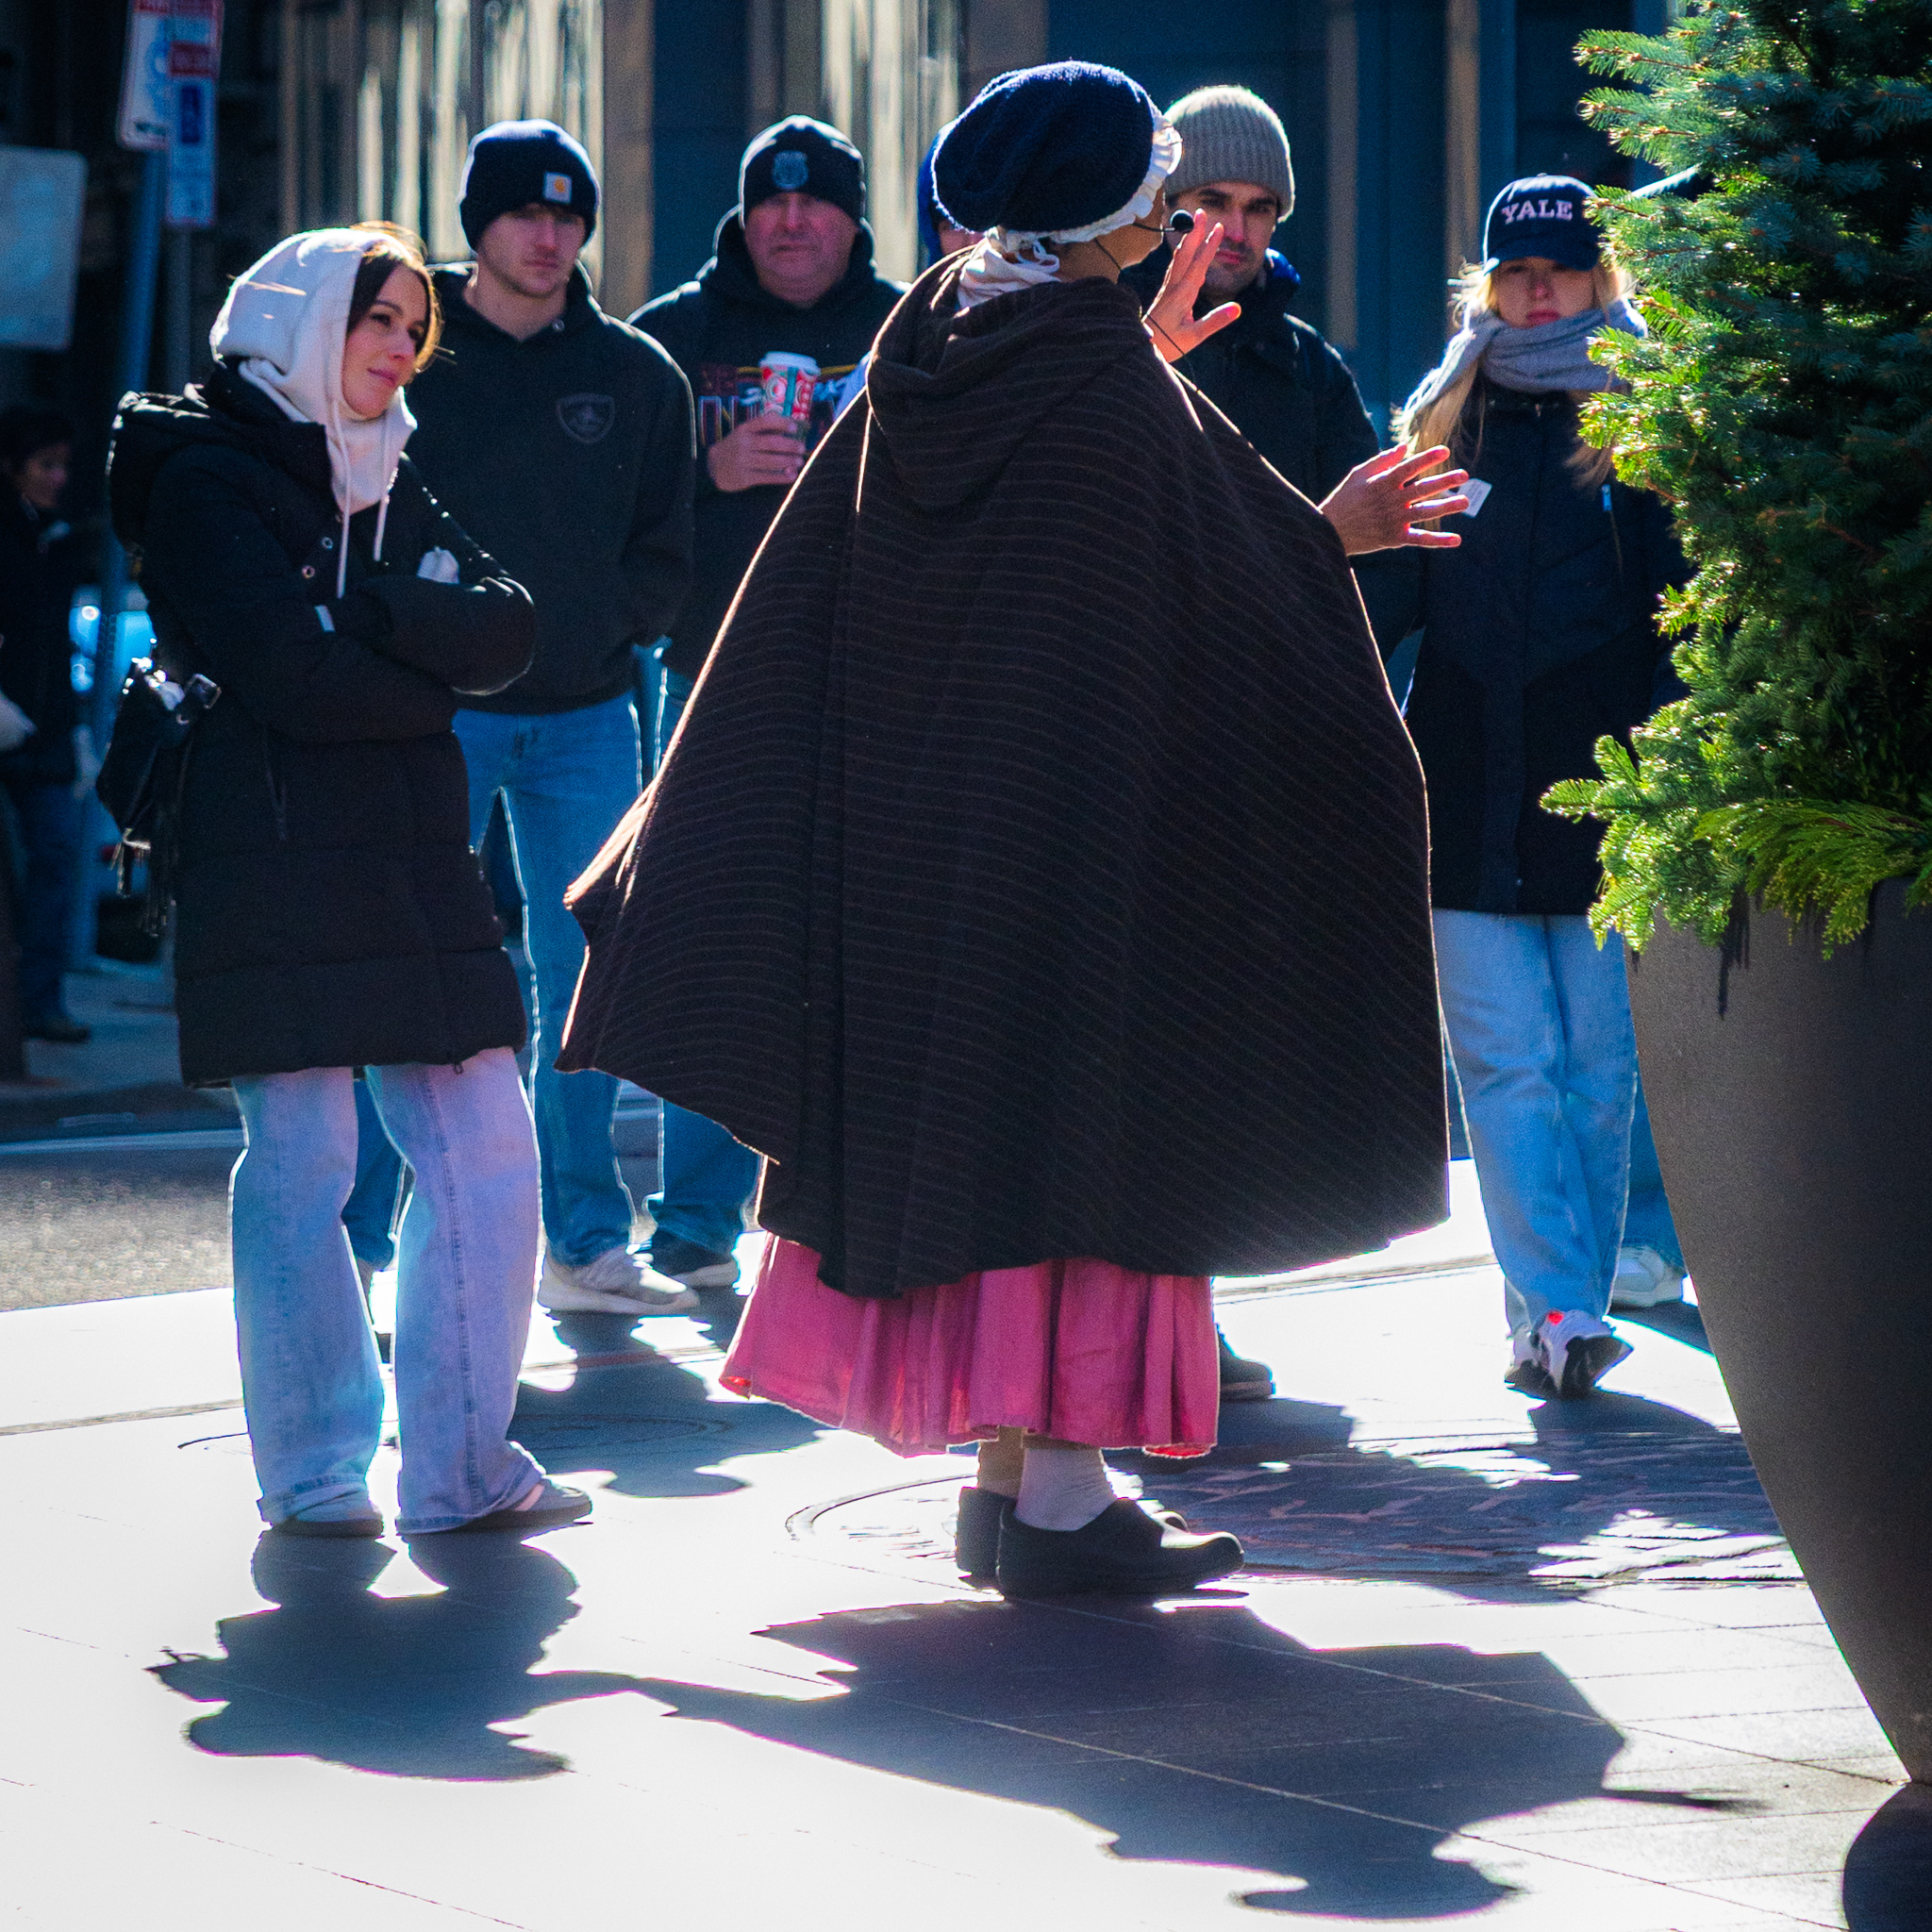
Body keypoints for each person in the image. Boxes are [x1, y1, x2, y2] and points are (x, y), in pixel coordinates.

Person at [559, 63, 1451, 1598]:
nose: (1168, 217)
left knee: (987, 1152)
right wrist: (1338, 536)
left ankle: (1009, 1488)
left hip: (940, 849)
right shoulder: (1098, 382)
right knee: (1084, 1157)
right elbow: (1213, 586)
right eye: (1153, 192)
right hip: (1073, 845)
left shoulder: (940, 338)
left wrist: (1150, 365)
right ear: (1101, 214)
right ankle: (1060, 1504)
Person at [107, 224, 587, 1538]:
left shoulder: (382, 463)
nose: (400, 349)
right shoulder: (204, 470)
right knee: (302, 1159)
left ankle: (460, 1471)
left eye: (415, 329)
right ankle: (315, 1473)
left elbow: (508, 625)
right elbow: (290, 677)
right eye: (379, 318)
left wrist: (368, 614)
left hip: (412, 858)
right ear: (307, 316)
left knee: (486, 1148)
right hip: (268, 854)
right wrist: (417, 664)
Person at [341, 120, 700, 1322]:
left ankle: (583, 1235)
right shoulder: (408, 350)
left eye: (567, 216)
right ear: (475, 225)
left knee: (588, 972)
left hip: (587, 711)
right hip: (430, 714)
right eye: (523, 214)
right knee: (402, 966)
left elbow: (667, 544)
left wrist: (608, 622)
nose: (548, 237)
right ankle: (363, 1242)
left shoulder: (638, 373)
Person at [1374, 175, 1690, 1398]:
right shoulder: (1440, 421)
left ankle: (1559, 1307)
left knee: (1599, 1076)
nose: (1538, 290)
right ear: (1488, 283)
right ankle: (1559, 1308)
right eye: (1515, 271)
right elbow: (1380, 603)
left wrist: (1658, 766)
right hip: (1461, 796)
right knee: (1506, 1064)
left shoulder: (1645, 423)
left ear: (1601, 280)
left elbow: (1680, 619)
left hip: (1601, 806)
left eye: (1560, 269)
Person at [628, 116, 903, 1293]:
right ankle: (695, 1218)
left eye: (815, 202)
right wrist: (709, 471)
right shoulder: (669, 340)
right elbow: (608, 511)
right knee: (709, 936)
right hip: (712, 677)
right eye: (770, 204)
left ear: (852, 216)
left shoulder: (908, 324)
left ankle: (859, 1210)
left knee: (875, 945)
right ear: (742, 220)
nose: (792, 222)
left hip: (882, 677)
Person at [1123, 86, 1376, 508]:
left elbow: (1377, 537)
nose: (1237, 232)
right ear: (1164, 209)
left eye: (1259, 208)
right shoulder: (1103, 330)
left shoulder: (1314, 369)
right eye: (1214, 202)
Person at [0, 406, 90, 1044]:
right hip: (14, 716)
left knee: (54, 857)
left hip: (46, 727)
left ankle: (39, 1001)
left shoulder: (57, 538)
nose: (57, 478)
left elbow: (56, 645)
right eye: (45, 465)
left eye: (62, 465)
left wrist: (73, 726)